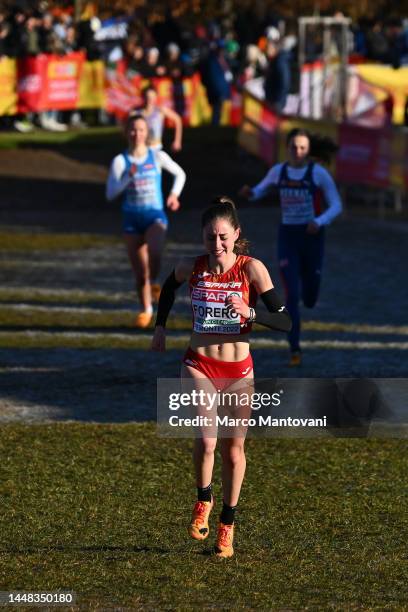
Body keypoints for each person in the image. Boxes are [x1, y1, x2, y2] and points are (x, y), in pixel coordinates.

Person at [151, 196, 291, 558]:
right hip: (198, 363)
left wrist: (251, 312)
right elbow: (167, 288)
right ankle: (203, 499)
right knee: (208, 438)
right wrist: (160, 327)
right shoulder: (191, 267)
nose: (217, 244)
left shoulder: (251, 270)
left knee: (233, 449)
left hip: (239, 372)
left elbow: (285, 321)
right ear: (202, 237)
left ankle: (227, 525)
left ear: (236, 234)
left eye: (223, 237)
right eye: (210, 237)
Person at [239, 128, 342, 366]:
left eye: (302, 148)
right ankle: (294, 348)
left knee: (310, 296)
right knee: (291, 296)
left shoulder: (318, 174)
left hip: (312, 237)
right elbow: (259, 190)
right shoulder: (278, 171)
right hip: (288, 237)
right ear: (287, 148)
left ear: (308, 151)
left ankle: (311, 292)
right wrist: (249, 193)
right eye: (293, 147)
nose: (297, 152)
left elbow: (336, 204)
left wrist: (319, 221)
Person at [106, 113, 186, 327]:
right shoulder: (120, 161)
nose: (137, 134)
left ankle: (156, 282)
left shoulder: (156, 156)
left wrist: (174, 195)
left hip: (154, 215)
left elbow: (180, 174)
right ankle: (146, 309)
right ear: (126, 133)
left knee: (156, 251)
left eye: (141, 129)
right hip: (131, 219)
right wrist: (127, 178)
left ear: (147, 133)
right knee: (140, 273)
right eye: (132, 129)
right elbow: (110, 193)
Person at [139, 85, 183, 152]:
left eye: (152, 97)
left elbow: (177, 119)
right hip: (142, 148)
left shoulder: (160, 110)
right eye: (147, 97)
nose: (150, 100)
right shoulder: (137, 113)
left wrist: (177, 141)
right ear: (143, 97)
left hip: (156, 148)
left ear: (156, 97)